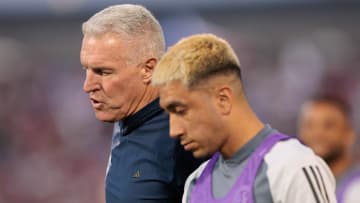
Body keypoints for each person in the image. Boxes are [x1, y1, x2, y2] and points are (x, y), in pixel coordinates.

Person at [152, 33, 337, 203]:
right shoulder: (195, 183)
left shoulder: (293, 167)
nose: (174, 130)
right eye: (169, 114)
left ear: (222, 100)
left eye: (181, 110)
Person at [80, 4, 201, 203]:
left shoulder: (186, 135)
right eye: (87, 69)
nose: (88, 86)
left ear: (148, 70)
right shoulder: (125, 110)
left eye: (104, 72)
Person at [298, 94, 360, 203]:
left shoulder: (356, 189)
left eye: (329, 125)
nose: (317, 134)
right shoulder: (294, 184)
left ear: (349, 135)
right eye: (309, 125)